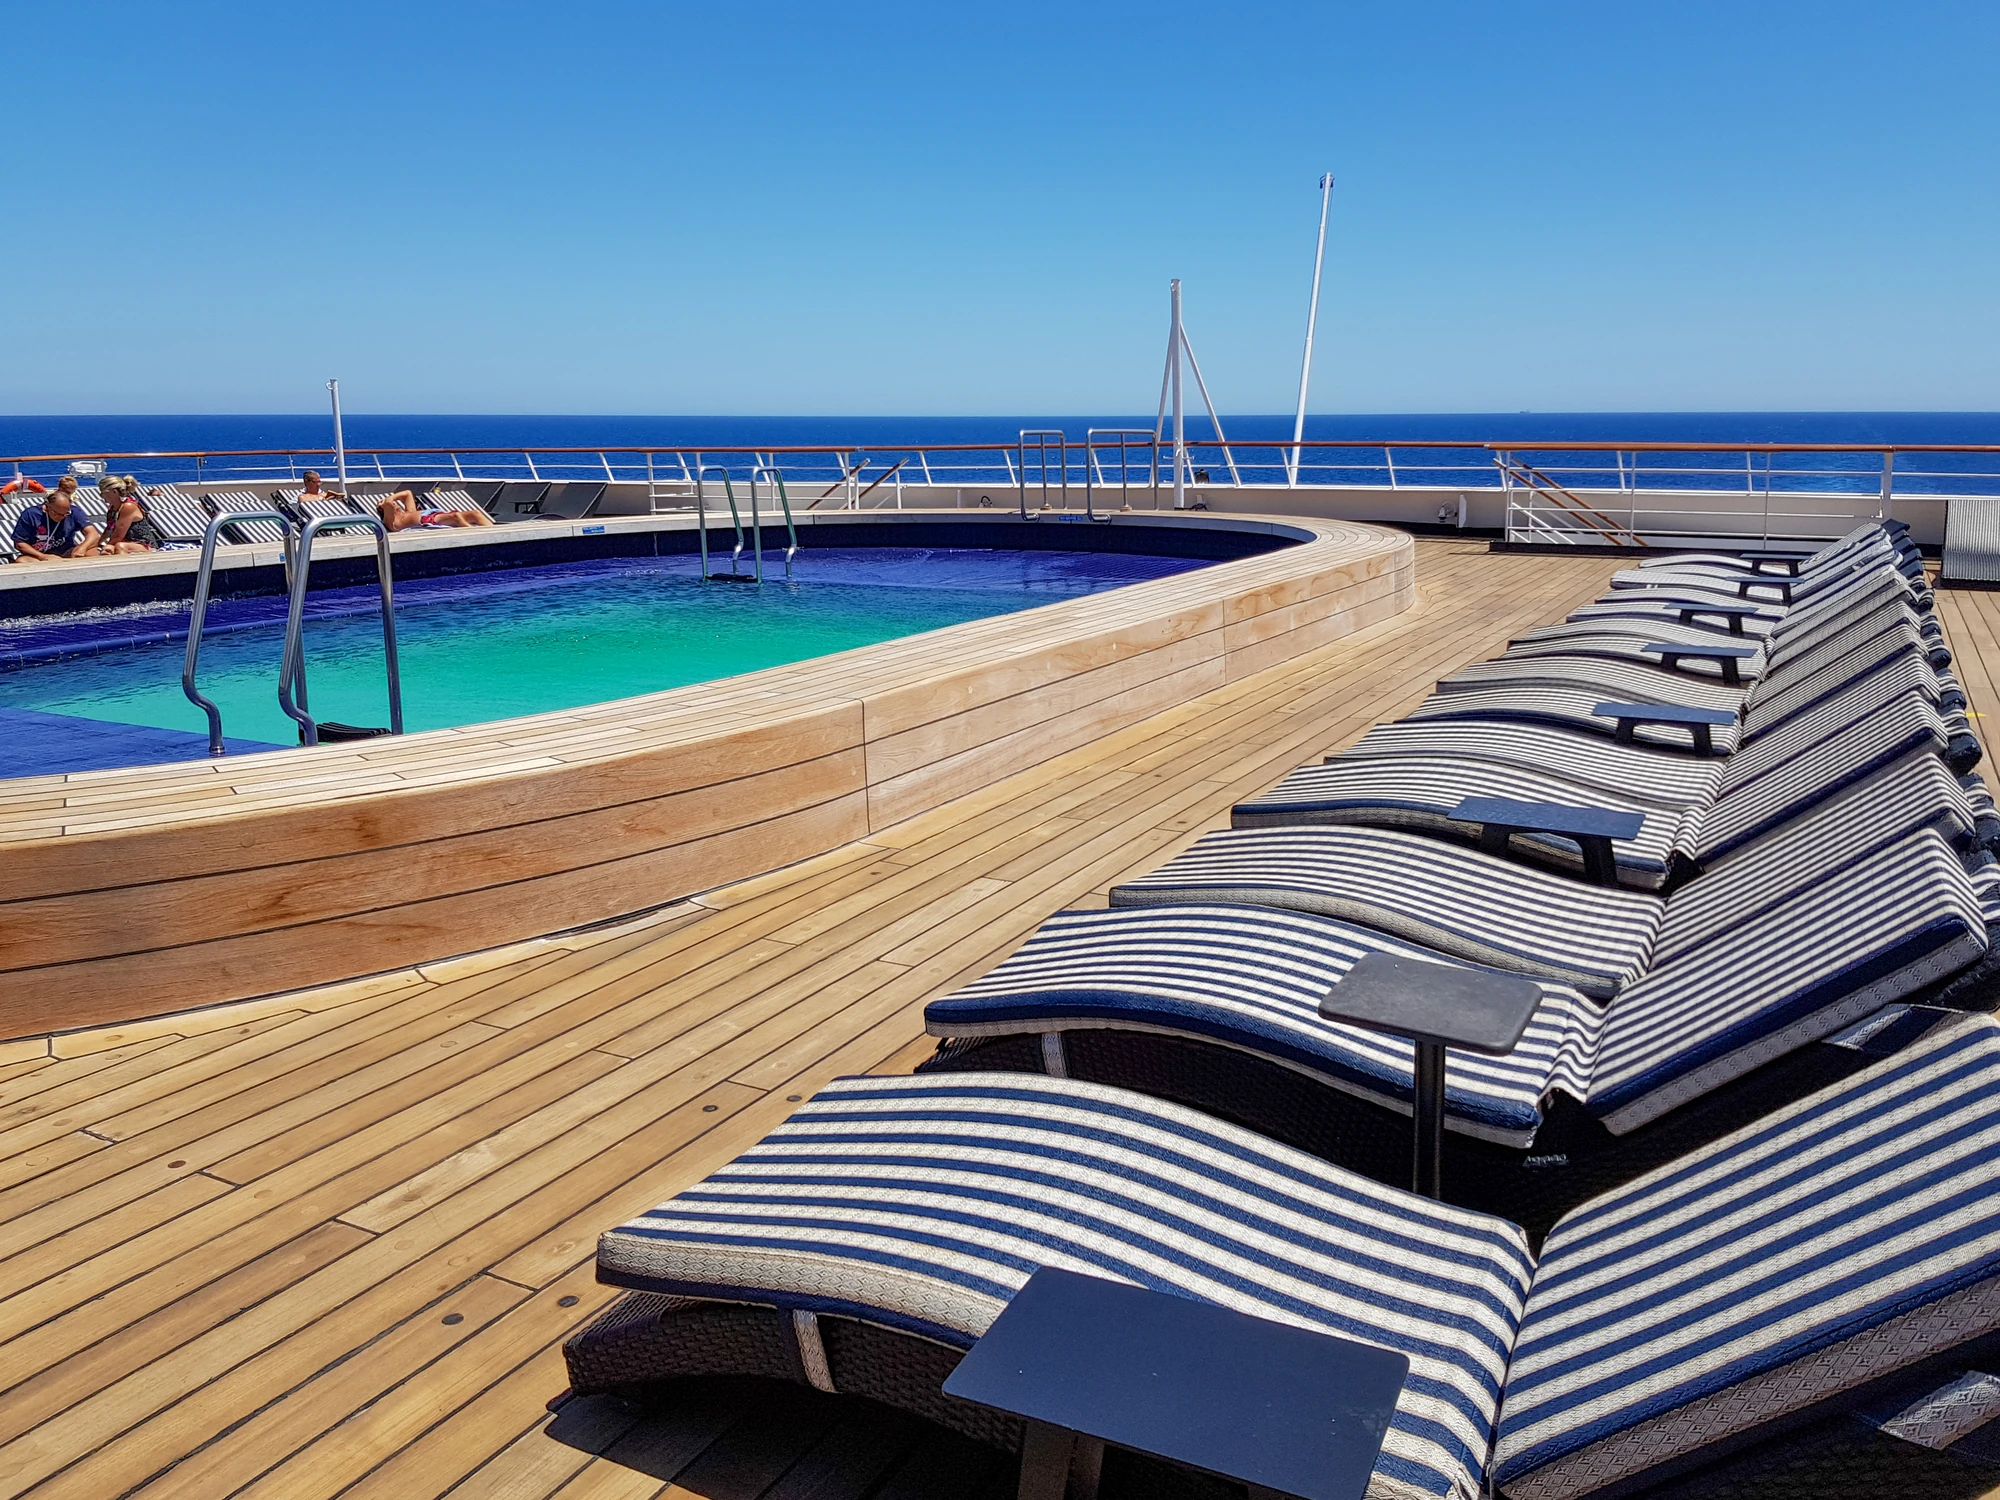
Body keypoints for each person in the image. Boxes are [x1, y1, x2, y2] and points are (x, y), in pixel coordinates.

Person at [10, 476, 103, 561]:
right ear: (47, 507)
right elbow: (19, 543)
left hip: (66, 551)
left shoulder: (74, 511)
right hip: (38, 555)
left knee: (92, 552)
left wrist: (83, 547)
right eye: (57, 514)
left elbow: (93, 534)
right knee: (22, 561)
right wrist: (43, 556)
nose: (61, 517)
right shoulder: (31, 514)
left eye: (65, 514)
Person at [375, 487, 495, 532]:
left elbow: (407, 493)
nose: (395, 503)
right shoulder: (392, 523)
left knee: (476, 513)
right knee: (456, 517)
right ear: (384, 510)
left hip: (437, 515)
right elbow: (390, 503)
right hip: (429, 520)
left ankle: (494, 533)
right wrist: (387, 501)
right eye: (392, 504)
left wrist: (389, 499)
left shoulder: (408, 512)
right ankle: (477, 536)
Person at [96, 475, 163, 553]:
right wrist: (96, 544)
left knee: (119, 546)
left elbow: (118, 536)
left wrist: (107, 547)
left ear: (114, 492)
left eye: (103, 492)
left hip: (144, 545)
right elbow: (108, 531)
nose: (101, 496)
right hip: (127, 543)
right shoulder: (112, 509)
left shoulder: (128, 507)